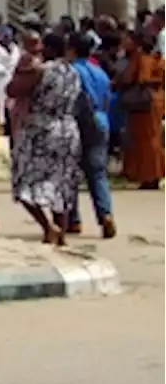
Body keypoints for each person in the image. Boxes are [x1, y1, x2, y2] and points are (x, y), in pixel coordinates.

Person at [8, 31, 83, 244]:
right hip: (67, 129)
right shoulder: (73, 72)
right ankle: (61, 232)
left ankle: (48, 226)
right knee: (62, 182)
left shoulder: (39, 70)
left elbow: (12, 90)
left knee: (24, 181)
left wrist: (22, 69)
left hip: (40, 129)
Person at [65, 31, 116, 238]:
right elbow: (107, 99)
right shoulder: (100, 72)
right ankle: (106, 214)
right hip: (101, 121)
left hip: (78, 123)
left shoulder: (71, 71)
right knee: (98, 173)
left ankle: (73, 219)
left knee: (70, 172)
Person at [116, 28, 166, 189]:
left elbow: (133, 78)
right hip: (158, 100)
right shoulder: (159, 58)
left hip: (144, 103)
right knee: (155, 138)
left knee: (145, 140)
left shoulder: (141, 58)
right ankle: (155, 173)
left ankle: (148, 175)